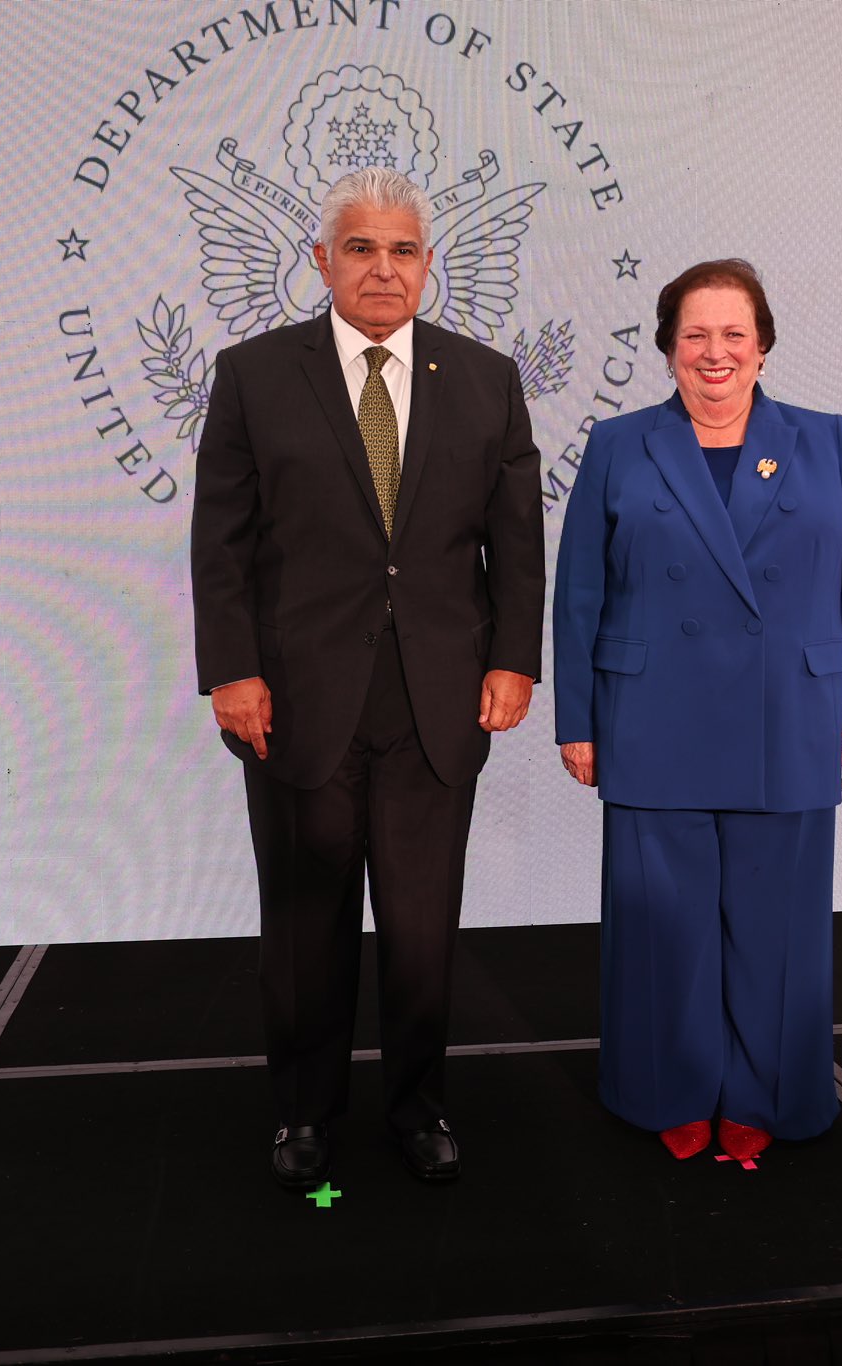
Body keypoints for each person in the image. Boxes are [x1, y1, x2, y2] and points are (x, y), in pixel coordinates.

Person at [190, 166, 544, 1189]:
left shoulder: (484, 379)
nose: (381, 268)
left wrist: (513, 657)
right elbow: (222, 543)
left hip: (438, 700)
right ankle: (302, 1116)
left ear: (426, 266)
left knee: (422, 932)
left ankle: (418, 1106)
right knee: (305, 928)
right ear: (321, 262)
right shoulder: (254, 374)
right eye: (360, 248)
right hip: (294, 701)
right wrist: (231, 672)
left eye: (400, 251)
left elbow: (514, 545)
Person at [552, 258, 842, 1163]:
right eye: (694, 335)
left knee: (778, 928)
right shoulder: (621, 445)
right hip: (652, 716)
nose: (715, 353)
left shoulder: (824, 440)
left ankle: (763, 1097)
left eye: (733, 334)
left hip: (792, 715)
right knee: (664, 927)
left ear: (764, 347)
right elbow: (578, 591)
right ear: (667, 349)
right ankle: (667, 1088)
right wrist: (577, 720)